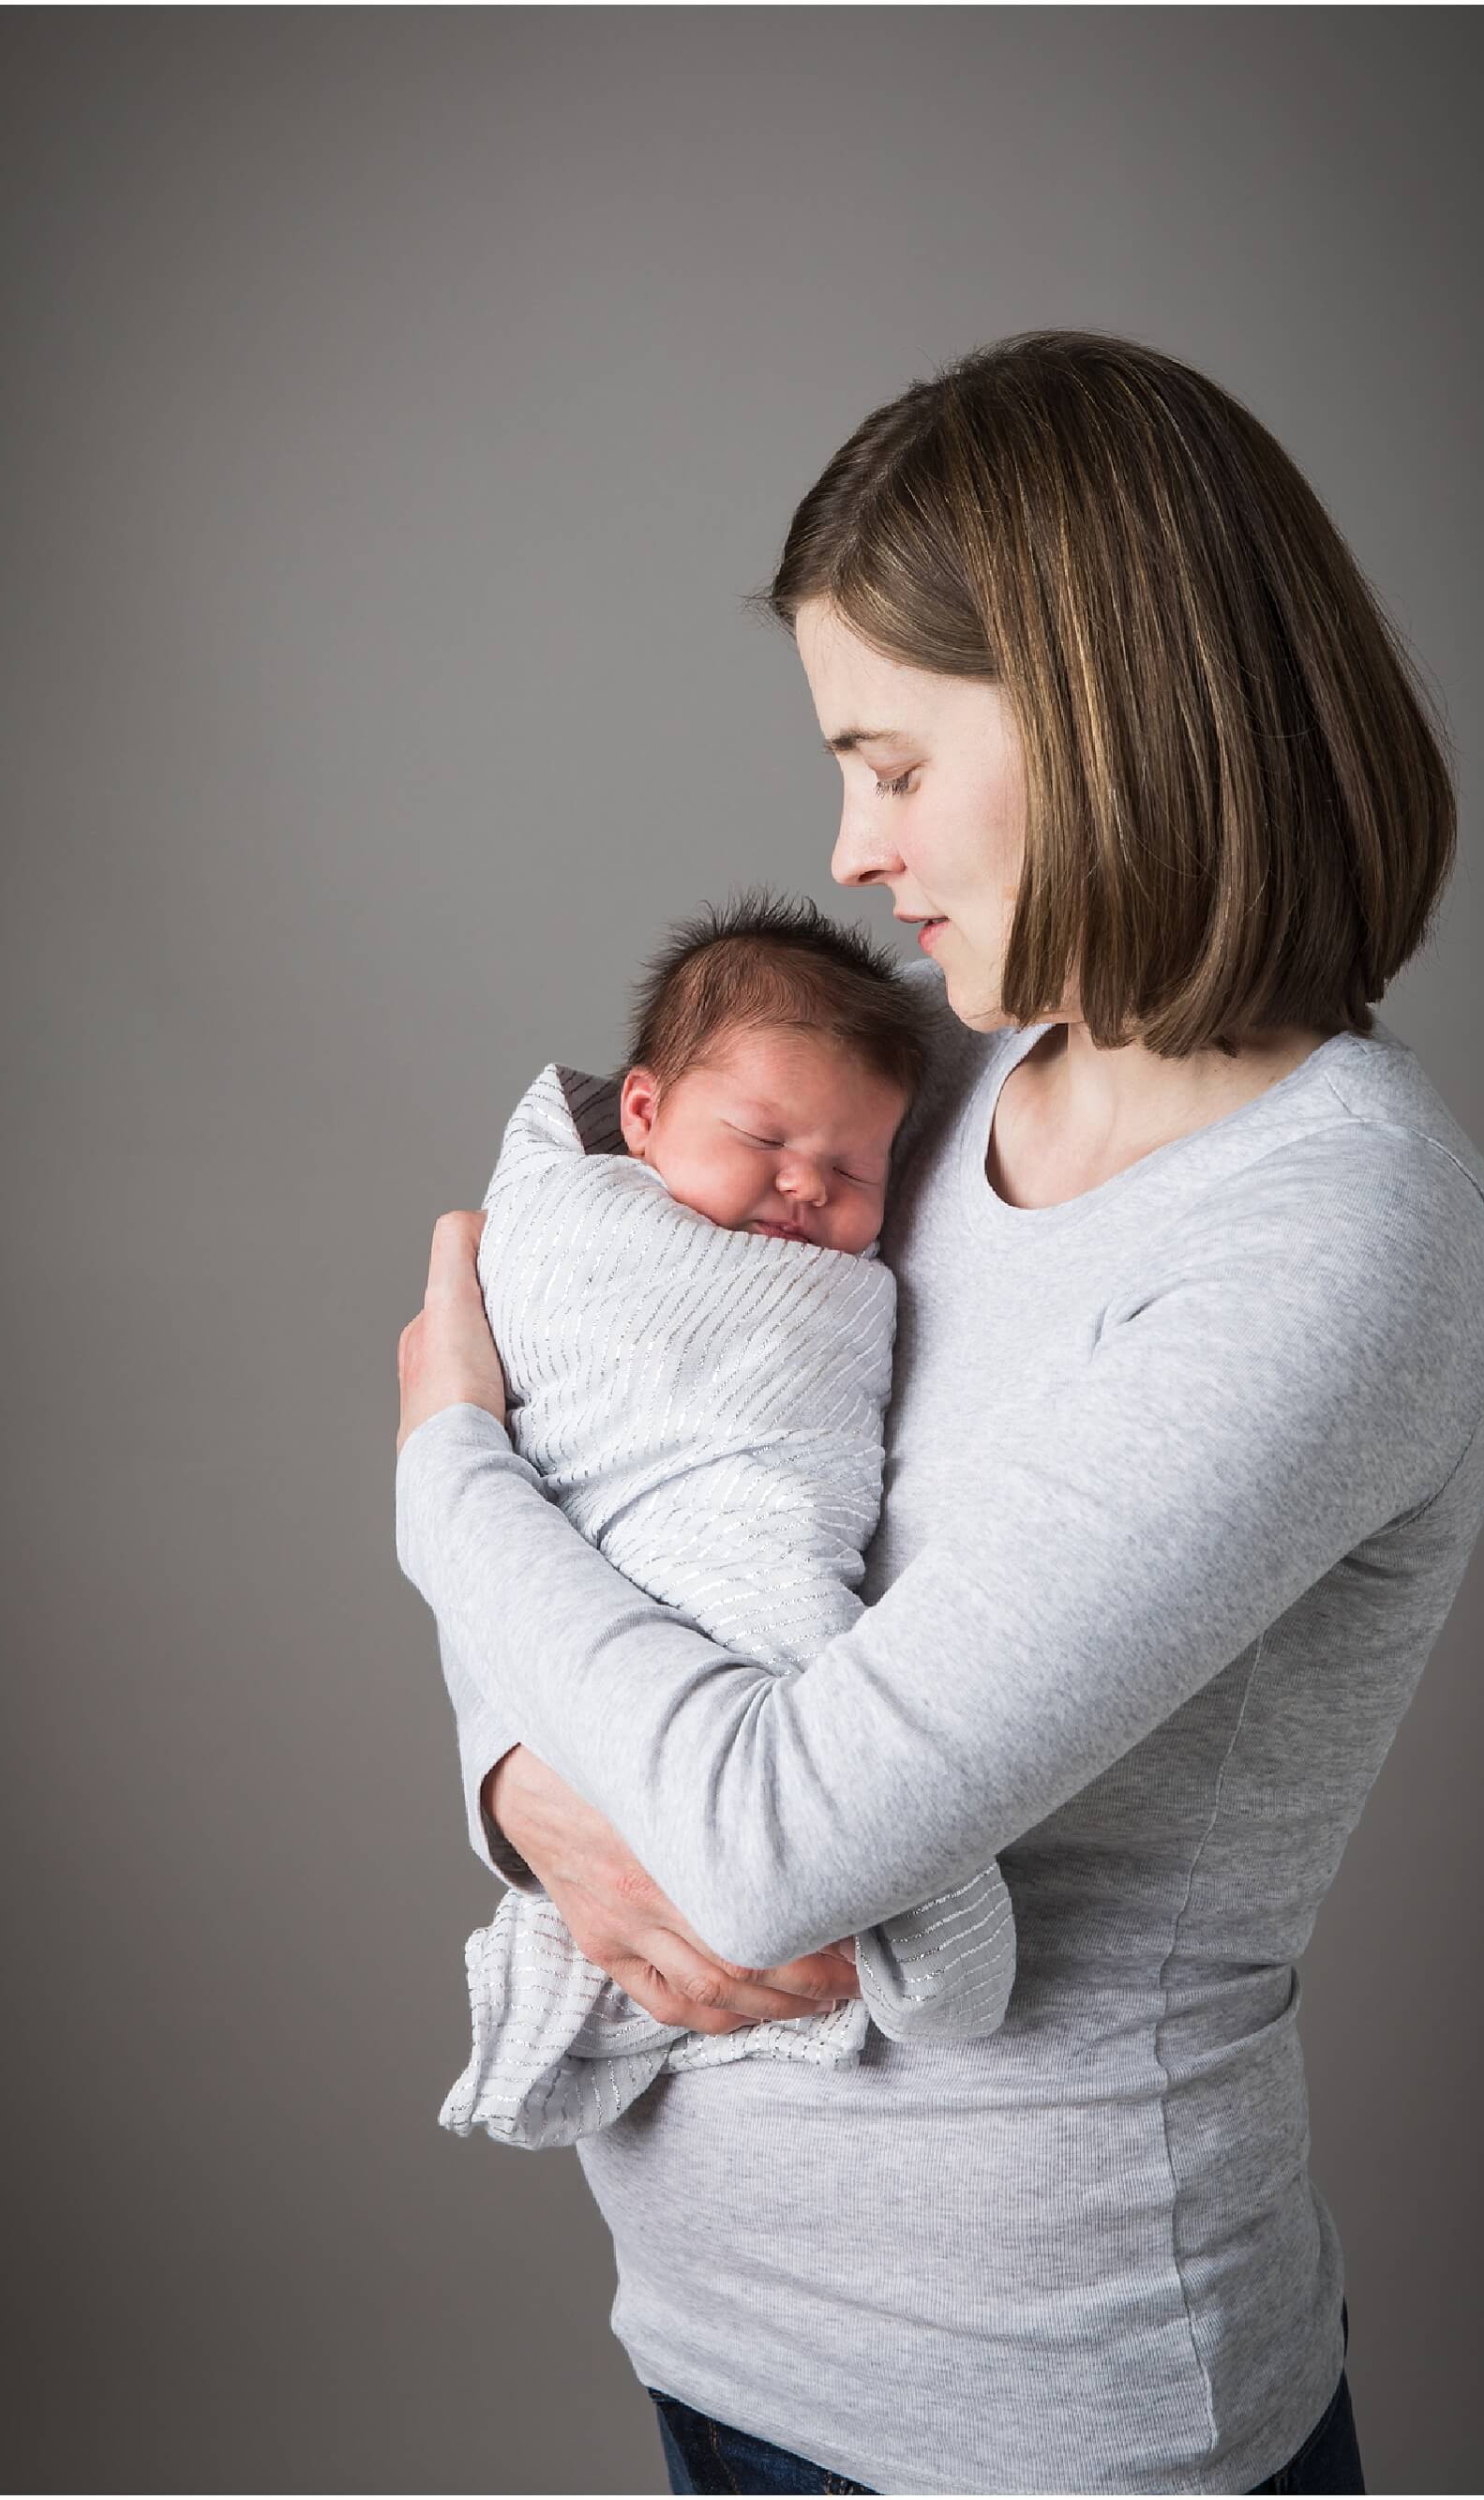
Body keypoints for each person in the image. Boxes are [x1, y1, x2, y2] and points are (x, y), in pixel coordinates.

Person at [394, 329, 1484, 2495]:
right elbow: (601, 1444)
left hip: (1037, 2411)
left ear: (1103, 718)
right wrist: (523, 1782)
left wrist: (436, 1474)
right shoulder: (931, 1082)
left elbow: (779, 1839)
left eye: (894, 765)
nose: (850, 844)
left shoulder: (1335, 1238)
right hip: (716, 2335)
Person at [436, 895, 1014, 2155]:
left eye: (856, 1169)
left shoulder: (929, 1070)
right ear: (639, 1113)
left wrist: (441, 1467)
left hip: (766, 1537)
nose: (807, 1184)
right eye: (763, 1137)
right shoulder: (584, 1227)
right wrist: (520, 1769)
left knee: (799, 1675)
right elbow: (485, 1472)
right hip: (686, 2310)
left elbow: (446, 1471)